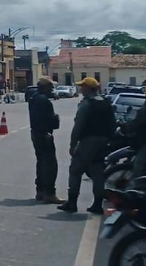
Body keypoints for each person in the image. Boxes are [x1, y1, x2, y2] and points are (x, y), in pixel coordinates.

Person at [59, 77, 114, 214]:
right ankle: (97, 204)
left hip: (88, 140)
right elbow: (113, 124)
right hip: (103, 141)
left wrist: (73, 145)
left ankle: (72, 202)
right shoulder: (106, 103)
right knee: (97, 173)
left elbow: (78, 126)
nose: (81, 89)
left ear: (89, 89)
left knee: (75, 170)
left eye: (83, 87)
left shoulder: (86, 104)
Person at [28, 76, 62, 204]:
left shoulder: (34, 98)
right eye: (50, 86)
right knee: (50, 164)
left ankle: (40, 191)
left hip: (36, 133)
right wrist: (55, 119)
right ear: (45, 87)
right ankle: (49, 193)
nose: (52, 89)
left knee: (41, 162)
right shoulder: (44, 101)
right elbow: (49, 119)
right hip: (44, 134)